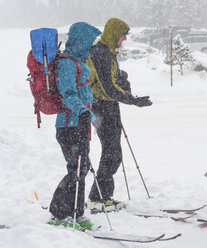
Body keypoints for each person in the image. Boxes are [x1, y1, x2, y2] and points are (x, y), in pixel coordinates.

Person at [86, 18, 152, 213]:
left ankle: (102, 196)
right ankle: (98, 198)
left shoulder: (107, 52)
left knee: (113, 153)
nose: (124, 39)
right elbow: (108, 87)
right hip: (102, 107)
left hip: (108, 107)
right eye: (122, 35)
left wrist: (122, 78)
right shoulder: (101, 53)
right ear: (114, 33)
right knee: (112, 154)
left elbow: (111, 80)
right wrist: (132, 99)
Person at [49, 22, 102, 229]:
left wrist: (87, 112)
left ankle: (76, 213)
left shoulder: (79, 61)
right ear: (80, 40)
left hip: (79, 124)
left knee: (83, 169)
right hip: (69, 125)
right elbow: (68, 94)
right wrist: (84, 111)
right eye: (89, 41)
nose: (91, 46)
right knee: (76, 169)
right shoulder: (67, 64)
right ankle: (60, 213)